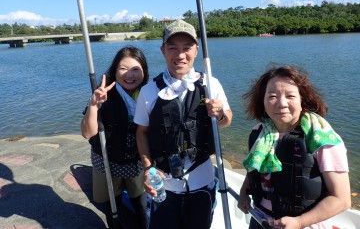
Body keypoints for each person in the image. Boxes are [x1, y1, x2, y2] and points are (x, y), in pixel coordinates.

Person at [134, 19, 232, 229]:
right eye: (173, 48)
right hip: (164, 186)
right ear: (163, 50)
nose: (180, 55)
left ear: (196, 50)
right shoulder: (148, 91)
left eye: (187, 48)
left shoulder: (210, 84)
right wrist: (148, 167)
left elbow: (226, 121)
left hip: (202, 182)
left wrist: (220, 113)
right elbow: (141, 132)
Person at [237, 65, 351, 229]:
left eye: (290, 96)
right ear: (262, 100)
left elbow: (342, 199)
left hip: (305, 224)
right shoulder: (259, 133)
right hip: (260, 219)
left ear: (302, 99)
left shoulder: (323, 139)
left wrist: (299, 222)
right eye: (272, 96)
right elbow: (254, 168)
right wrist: (243, 193)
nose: (281, 103)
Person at [81, 46, 149, 229]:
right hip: (107, 160)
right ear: (114, 70)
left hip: (136, 162)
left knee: (141, 205)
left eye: (136, 69)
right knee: (113, 207)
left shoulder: (149, 93)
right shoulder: (103, 93)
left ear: (144, 71)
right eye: (123, 69)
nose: (130, 75)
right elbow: (87, 133)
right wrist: (94, 105)